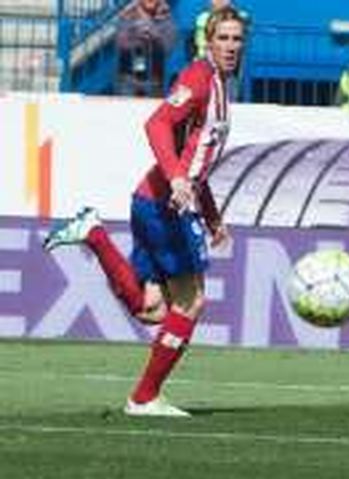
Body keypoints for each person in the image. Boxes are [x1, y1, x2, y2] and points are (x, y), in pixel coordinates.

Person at [43, 6, 246, 417]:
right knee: (190, 303)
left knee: (152, 308)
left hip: (155, 201)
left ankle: (95, 234)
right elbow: (156, 124)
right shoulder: (198, 78)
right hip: (163, 204)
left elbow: (196, 162)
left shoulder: (222, 86)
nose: (229, 46)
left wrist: (212, 216)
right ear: (207, 41)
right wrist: (174, 179)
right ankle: (143, 398)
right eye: (222, 37)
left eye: (236, 39)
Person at [116, 0, 176, 97]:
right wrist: (137, 37)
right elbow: (120, 42)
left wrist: (155, 35)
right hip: (129, 79)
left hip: (155, 80)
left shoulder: (166, 16)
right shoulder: (128, 15)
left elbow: (169, 46)